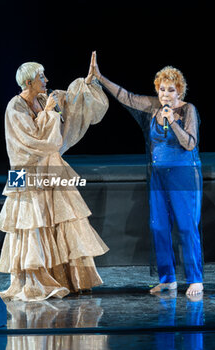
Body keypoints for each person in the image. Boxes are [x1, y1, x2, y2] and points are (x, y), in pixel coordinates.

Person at [0, 56, 109, 301]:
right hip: (23, 172)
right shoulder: (14, 107)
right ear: (28, 82)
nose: (46, 80)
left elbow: (72, 102)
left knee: (64, 218)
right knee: (29, 223)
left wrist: (87, 81)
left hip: (51, 168)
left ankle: (72, 279)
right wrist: (48, 116)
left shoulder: (44, 100)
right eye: (41, 77)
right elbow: (30, 140)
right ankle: (35, 279)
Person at [91, 51, 203, 296]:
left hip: (183, 176)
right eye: (162, 89)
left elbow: (190, 144)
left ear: (180, 91)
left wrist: (172, 121)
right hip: (159, 176)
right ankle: (168, 279)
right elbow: (126, 96)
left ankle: (195, 279)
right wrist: (99, 77)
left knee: (186, 227)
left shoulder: (188, 110)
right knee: (159, 227)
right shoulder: (153, 106)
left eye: (171, 90)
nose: (165, 94)